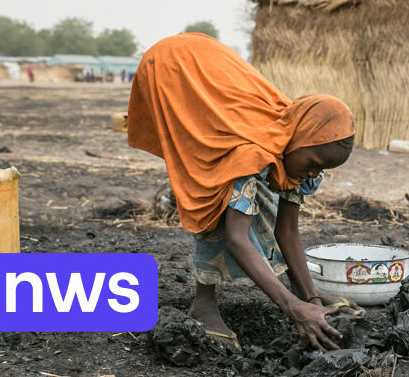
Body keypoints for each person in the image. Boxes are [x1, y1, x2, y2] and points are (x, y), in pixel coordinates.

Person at [128, 33, 357, 352]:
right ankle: (203, 305)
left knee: (254, 196)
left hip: (208, 70)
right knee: (213, 187)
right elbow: (237, 240)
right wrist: (292, 309)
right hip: (172, 69)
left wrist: (312, 299)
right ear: (302, 141)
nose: (314, 173)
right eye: (314, 163)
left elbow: (287, 229)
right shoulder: (251, 154)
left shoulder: (299, 151)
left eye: (323, 170)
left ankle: (301, 294)